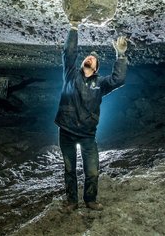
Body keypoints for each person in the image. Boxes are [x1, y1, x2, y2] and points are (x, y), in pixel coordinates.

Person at [54, 17, 128, 213]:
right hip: (67, 133)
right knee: (69, 170)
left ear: (96, 68)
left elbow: (118, 79)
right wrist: (74, 28)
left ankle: (90, 200)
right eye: (88, 57)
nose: (90, 58)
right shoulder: (70, 74)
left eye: (94, 59)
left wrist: (120, 56)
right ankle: (71, 202)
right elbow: (68, 53)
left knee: (92, 171)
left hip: (88, 135)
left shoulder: (100, 83)